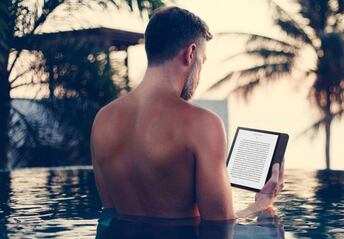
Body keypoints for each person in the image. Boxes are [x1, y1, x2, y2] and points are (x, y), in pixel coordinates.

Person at [90, 6, 284, 222]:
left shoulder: (103, 120)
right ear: (190, 53)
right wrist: (260, 205)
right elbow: (220, 227)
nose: (200, 73)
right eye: (202, 60)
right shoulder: (202, 124)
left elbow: (109, 217)